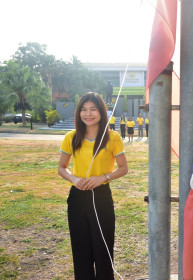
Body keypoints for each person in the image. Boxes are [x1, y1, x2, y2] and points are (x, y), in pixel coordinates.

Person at [58, 92, 128, 279]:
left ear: (101, 112)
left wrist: (103, 178)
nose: (88, 114)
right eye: (84, 110)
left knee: (103, 249)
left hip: (102, 198)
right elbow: (62, 168)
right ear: (78, 113)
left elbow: (123, 168)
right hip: (77, 198)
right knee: (80, 250)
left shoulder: (112, 138)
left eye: (93, 110)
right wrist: (74, 179)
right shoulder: (71, 137)